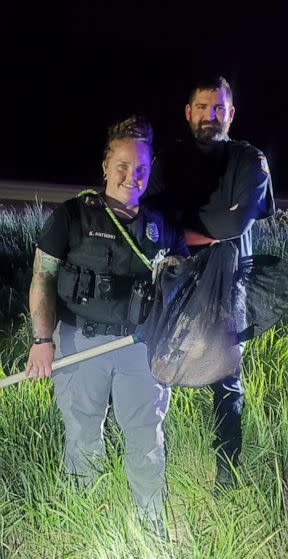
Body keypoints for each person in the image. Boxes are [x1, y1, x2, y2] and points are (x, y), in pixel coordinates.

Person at [25, 115, 189, 527]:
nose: (131, 176)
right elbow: (42, 277)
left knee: (146, 437)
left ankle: (151, 524)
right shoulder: (71, 215)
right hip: (80, 343)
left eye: (141, 169)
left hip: (140, 349)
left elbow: (185, 286)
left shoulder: (163, 224)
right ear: (105, 165)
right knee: (82, 436)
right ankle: (84, 525)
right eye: (122, 165)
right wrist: (42, 339)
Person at [144, 76, 275, 484]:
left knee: (226, 381)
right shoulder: (167, 160)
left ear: (231, 113)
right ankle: (147, 466)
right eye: (202, 107)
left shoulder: (249, 160)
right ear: (188, 112)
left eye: (218, 108)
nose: (210, 115)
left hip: (229, 287)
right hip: (175, 285)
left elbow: (237, 221)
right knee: (153, 370)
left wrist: (182, 230)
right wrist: (202, 232)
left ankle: (227, 476)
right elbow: (150, 225)